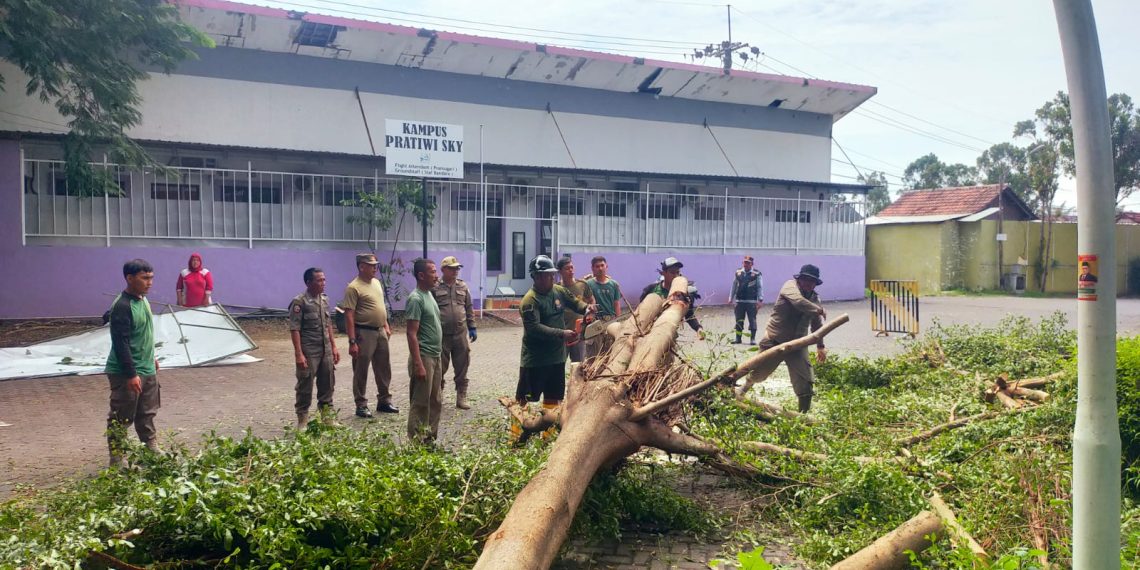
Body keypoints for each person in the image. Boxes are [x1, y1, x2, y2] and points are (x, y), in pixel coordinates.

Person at [735, 264, 828, 413]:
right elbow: (799, 302)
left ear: (816, 283)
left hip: (798, 345)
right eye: (806, 280)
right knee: (758, 373)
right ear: (800, 279)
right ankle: (741, 391)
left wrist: (820, 346)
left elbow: (816, 325)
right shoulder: (789, 287)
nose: (809, 284)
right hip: (775, 341)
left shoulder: (815, 299)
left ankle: (803, 417)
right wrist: (819, 310)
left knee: (806, 381)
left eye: (812, 282)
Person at [516, 255, 595, 417]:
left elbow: (575, 302)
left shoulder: (558, 291)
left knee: (553, 399)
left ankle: (547, 435)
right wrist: (562, 334)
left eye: (553, 274)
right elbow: (534, 329)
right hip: (535, 360)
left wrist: (587, 309)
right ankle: (517, 438)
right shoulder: (530, 301)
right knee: (525, 398)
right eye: (547, 275)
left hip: (556, 358)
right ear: (536, 277)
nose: (552, 278)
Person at [104, 258, 161, 468]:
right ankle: (117, 460)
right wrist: (130, 374)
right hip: (126, 371)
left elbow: (143, 333)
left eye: (151, 278)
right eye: (145, 278)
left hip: (146, 367)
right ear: (130, 278)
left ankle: (150, 447)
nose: (150, 283)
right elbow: (121, 343)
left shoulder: (142, 300)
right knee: (121, 417)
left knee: (147, 411)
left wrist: (151, 356)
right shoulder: (122, 306)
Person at [342, 253, 396, 418]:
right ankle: (361, 404)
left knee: (384, 368)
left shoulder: (376, 283)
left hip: (380, 331)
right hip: (363, 333)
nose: (375, 268)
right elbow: (349, 315)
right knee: (361, 369)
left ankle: (384, 401)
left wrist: (386, 325)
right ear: (361, 266)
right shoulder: (354, 287)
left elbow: (381, 306)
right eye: (371, 265)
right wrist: (352, 341)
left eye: (375, 265)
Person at [289, 267, 340, 429]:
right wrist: (299, 354)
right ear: (308, 282)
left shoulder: (324, 300)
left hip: (325, 349)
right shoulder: (300, 302)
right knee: (305, 384)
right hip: (309, 350)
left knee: (328, 383)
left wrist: (334, 346)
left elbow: (328, 324)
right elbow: (295, 328)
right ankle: (302, 420)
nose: (323, 283)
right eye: (319, 280)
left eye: (324, 279)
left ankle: (327, 418)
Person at [405, 258, 444, 444]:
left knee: (436, 400)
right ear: (421, 275)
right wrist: (418, 363)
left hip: (436, 356)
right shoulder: (416, 298)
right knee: (421, 401)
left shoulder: (429, 295)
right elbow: (411, 334)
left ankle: (429, 440)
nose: (437, 276)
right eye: (433, 272)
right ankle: (417, 442)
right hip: (424, 357)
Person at [431, 256, 477, 410]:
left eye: (457, 268)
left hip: (460, 333)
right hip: (441, 335)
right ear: (443, 269)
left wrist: (472, 326)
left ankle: (461, 396)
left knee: (462, 365)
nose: (456, 271)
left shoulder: (462, 286)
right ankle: (437, 395)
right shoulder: (435, 287)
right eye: (452, 268)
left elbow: (468, 307)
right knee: (439, 367)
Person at [639, 257, 706, 340]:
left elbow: (689, 315)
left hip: (668, 335)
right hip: (648, 334)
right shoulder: (651, 289)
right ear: (663, 273)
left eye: (677, 272)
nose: (676, 276)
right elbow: (641, 311)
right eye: (672, 273)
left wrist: (698, 328)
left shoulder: (683, 295)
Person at [557, 256, 595, 363]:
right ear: (560, 271)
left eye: (572, 267)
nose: (571, 270)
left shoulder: (582, 285)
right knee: (558, 364)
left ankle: (577, 381)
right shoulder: (556, 289)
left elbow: (592, 300)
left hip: (579, 333)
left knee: (578, 365)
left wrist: (590, 313)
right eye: (567, 268)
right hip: (561, 333)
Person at [729, 255, 763, 345]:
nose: (746, 264)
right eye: (744, 262)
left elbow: (760, 287)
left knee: (752, 320)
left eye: (748, 263)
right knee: (739, 320)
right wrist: (730, 298)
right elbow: (734, 286)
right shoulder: (738, 273)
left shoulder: (757, 274)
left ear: (752, 264)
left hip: (751, 302)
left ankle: (752, 339)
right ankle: (738, 338)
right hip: (739, 301)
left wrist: (760, 299)